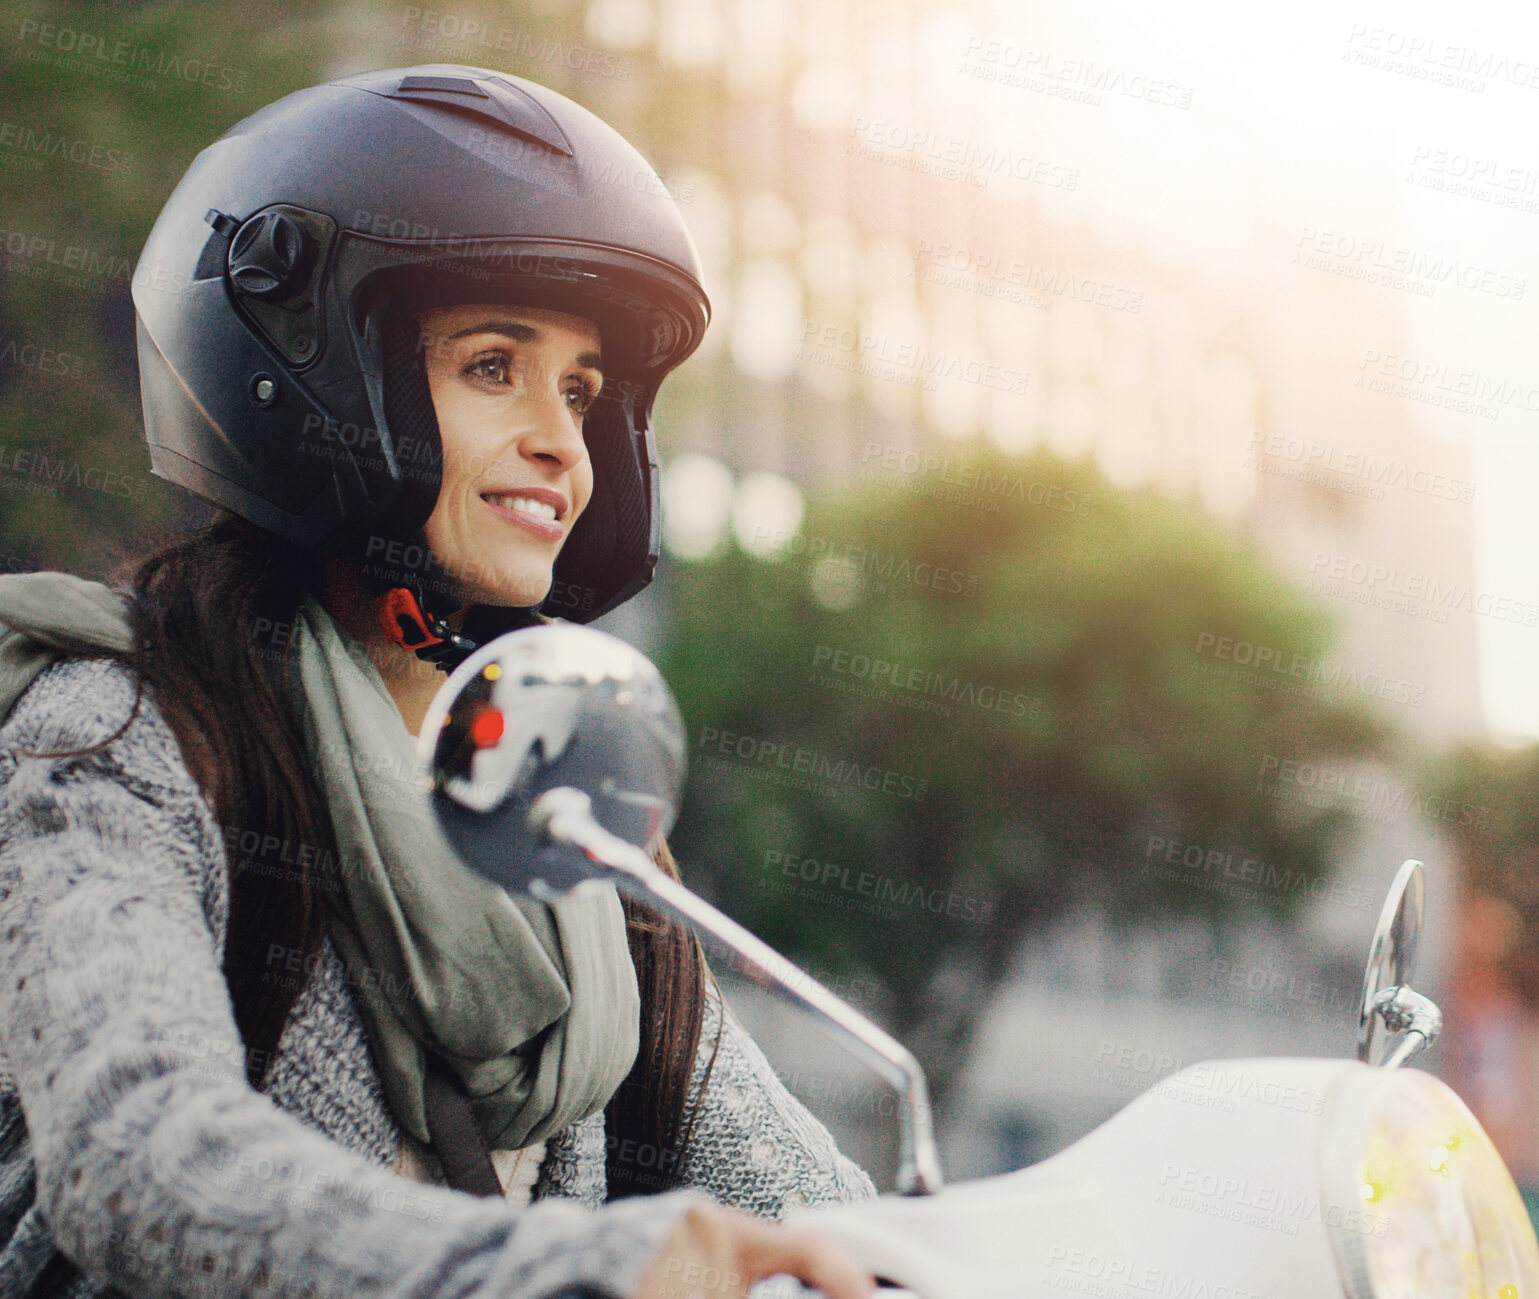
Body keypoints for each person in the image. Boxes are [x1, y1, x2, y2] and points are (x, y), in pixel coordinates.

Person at [0, 65, 878, 1299]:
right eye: (490, 368)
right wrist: (586, 1266)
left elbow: (812, 1205)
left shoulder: (557, 802)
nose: (560, 440)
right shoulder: (122, 735)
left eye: (581, 392)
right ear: (304, 373)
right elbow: (142, 1161)